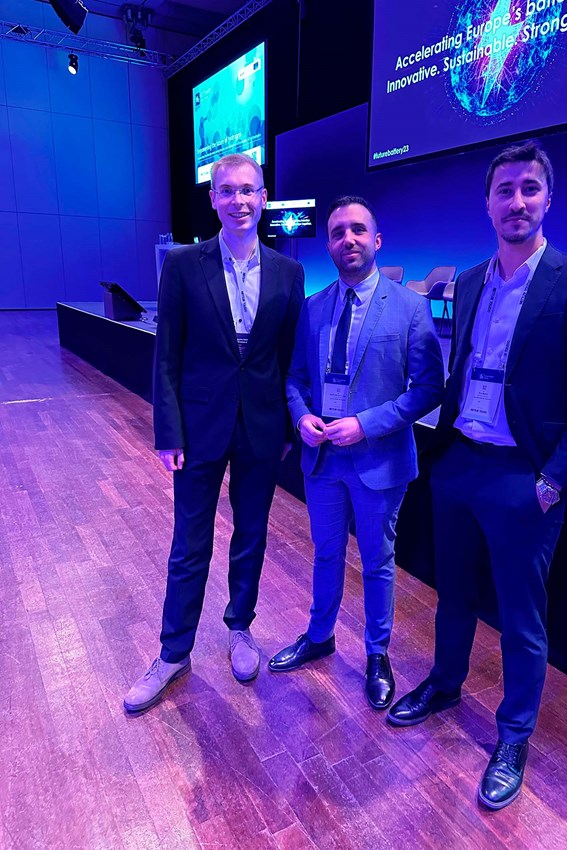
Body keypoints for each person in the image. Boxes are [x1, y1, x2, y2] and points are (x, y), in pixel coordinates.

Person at [388, 141, 567, 809]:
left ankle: (513, 736)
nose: (516, 201)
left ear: (547, 198)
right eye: (504, 190)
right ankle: (444, 684)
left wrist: (550, 482)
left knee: (521, 620)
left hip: (525, 479)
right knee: (452, 597)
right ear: (487, 204)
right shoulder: (465, 282)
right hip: (459, 464)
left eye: (528, 189)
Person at [124, 154, 304, 712]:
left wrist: (288, 425)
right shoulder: (183, 265)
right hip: (199, 428)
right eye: (228, 191)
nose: (239, 201)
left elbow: (289, 359)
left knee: (251, 535)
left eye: (248, 190)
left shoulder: (289, 272)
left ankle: (240, 628)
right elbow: (167, 355)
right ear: (213, 199)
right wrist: (168, 432)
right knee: (189, 544)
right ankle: (173, 652)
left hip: (262, 428)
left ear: (264, 197)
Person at [268, 196, 444, 710]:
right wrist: (301, 415)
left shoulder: (409, 307)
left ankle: (376, 654)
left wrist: (366, 425)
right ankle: (319, 636)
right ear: (328, 244)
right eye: (338, 232)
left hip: (378, 460)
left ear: (377, 240)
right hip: (322, 460)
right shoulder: (312, 308)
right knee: (325, 553)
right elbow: (295, 377)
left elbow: (429, 387)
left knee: (377, 562)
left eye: (359, 230)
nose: (348, 239)